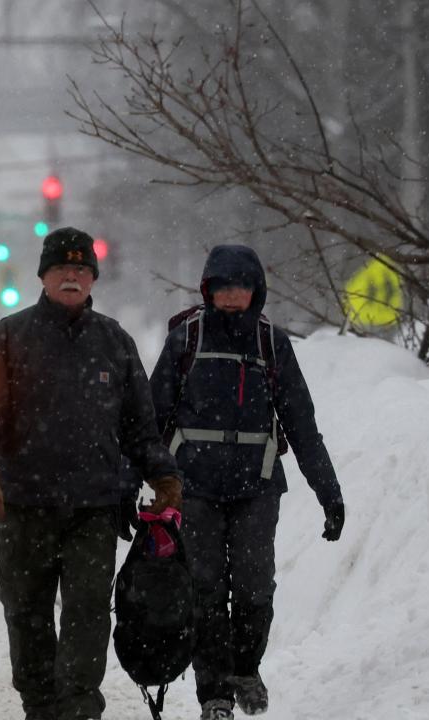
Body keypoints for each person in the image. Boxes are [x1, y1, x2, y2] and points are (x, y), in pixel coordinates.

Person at [0, 226, 183, 720]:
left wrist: (164, 478)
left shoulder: (114, 342)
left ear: (93, 280)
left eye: (82, 270)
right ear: (43, 276)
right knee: (26, 612)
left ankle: (80, 708)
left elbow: (140, 429)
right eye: (62, 268)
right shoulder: (10, 337)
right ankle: (40, 705)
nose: (72, 276)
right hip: (25, 504)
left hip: (94, 508)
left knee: (87, 611)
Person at [150, 245, 344, 720]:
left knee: (256, 587)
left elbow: (301, 425)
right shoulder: (186, 339)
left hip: (256, 487)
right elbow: (151, 418)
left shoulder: (271, 344)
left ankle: (245, 668)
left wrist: (329, 492)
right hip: (194, 486)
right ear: (208, 290)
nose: (232, 296)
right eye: (223, 287)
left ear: (256, 290)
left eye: (241, 287)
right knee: (206, 590)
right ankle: (214, 695)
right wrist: (132, 483)